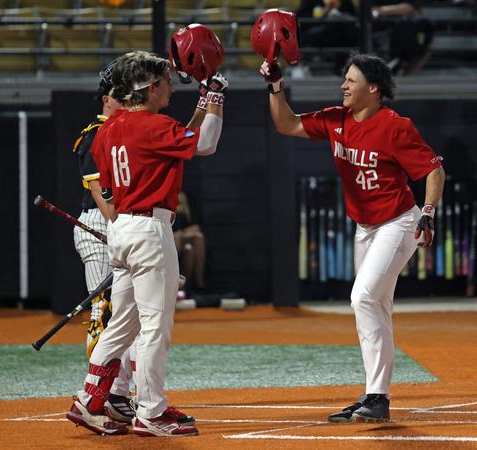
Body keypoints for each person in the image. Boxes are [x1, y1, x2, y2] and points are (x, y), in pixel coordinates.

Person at [260, 53, 444, 422]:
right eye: (344, 79)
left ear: (372, 88)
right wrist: (276, 86)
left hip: (398, 222)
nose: (343, 85)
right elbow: (286, 124)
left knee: (362, 298)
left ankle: (377, 396)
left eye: (351, 80)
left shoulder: (395, 126)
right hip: (365, 227)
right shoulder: (336, 119)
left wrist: (428, 213)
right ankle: (375, 396)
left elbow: (433, 170)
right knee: (373, 309)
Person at [65, 26, 226, 437]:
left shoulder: (110, 128)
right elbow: (203, 144)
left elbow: (178, 139)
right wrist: (217, 99)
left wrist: (205, 100)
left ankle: (88, 400)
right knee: (155, 326)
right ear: (150, 87)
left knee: (123, 324)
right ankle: (150, 411)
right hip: (151, 231)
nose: (171, 87)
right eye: (166, 82)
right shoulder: (152, 127)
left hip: (121, 228)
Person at [70, 59, 136, 426]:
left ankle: (118, 392)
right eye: (118, 96)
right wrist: (124, 227)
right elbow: (102, 199)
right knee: (104, 314)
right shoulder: (94, 134)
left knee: (127, 313)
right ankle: (98, 394)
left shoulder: (126, 131)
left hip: (121, 227)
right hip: (101, 225)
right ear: (107, 100)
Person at [173, 190, 206, 294]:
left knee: (190, 248)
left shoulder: (185, 213)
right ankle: (184, 288)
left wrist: (181, 233)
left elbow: (196, 228)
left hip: (181, 240)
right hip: (168, 241)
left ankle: (195, 286)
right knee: (184, 241)